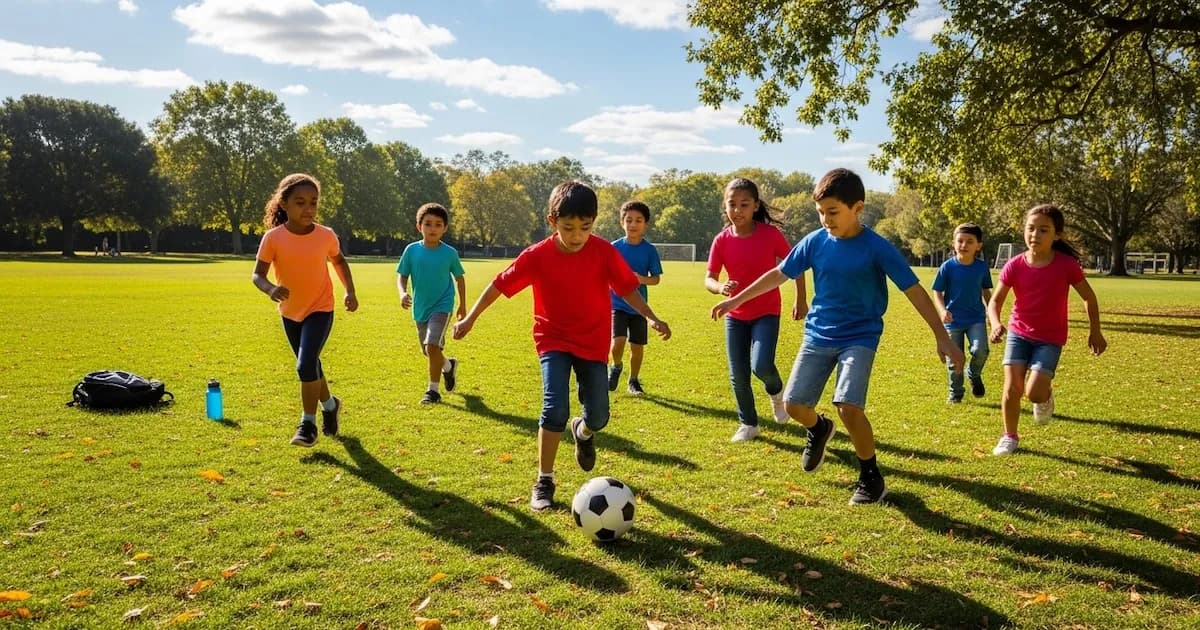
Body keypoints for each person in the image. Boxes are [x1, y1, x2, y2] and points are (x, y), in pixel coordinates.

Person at [712, 168, 964, 505]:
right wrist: (735, 300)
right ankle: (818, 429)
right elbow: (778, 274)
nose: (825, 219)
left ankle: (871, 477)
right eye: (820, 212)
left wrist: (942, 336)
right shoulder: (815, 241)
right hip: (818, 334)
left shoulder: (876, 247)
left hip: (860, 336)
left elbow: (914, 290)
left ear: (857, 208)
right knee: (794, 405)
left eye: (833, 212)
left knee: (848, 406)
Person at [453, 181, 672, 511]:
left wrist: (651, 317)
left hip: (593, 342)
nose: (577, 236)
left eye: (585, 227)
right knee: (554, 408)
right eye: (568, 228)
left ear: (594, 222)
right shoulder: (537, 255)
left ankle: (582, 432)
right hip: (552, 340)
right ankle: (544, 480)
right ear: (552, 221)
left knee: (599, 416)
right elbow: (499, 285)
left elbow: (628, 288)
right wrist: (470, 318)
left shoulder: (604, 252)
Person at [987, 204, 1106, 456]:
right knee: (1012, 387)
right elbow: (995, 301)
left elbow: (1089, 297)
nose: (1035, 235)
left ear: (1056, 235)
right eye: (1031, 228)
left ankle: (1045, 396)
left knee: (1034, 393)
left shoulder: (1067, 265)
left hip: (1050, 339)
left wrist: (1095, 331)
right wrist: (996, 323)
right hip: (1018, 333)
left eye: (1043, 230)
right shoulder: (1014, 265)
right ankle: (1009, 436)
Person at [251, 173, 358, 447]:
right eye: (300, 202)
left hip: (321, 309)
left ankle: (307, 425)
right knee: (311, 365)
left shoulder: (326, 235)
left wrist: (349, 291)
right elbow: (257, 275)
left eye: (313, 202)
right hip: (290, 312)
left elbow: (339, 262)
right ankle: (330, 405)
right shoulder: (273, 238)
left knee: (305, 364)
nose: (308, 208)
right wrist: (270, 289)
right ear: (284, 203)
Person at [704, 178, 801, 442]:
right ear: (725, 206)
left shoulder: (770, 235)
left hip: (767, 312)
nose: (737, 210)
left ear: (756, 205)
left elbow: (795, 264)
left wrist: (800, 299)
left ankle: (777, 393)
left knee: (761, 365)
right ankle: (748, 424)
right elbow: (709, 278)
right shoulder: (721, 240)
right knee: (738, 373)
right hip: (735, 316)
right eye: (732, 204)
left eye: (744, 204)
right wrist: (720, 287)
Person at [397, 203, 466, 405]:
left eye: (438, 224)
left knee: (432, 345)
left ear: (445, 228)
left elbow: (460, 278)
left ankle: (432, 391)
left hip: (442, 306)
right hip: (421, 308)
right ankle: (448, 366)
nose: (432, 228)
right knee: (429, 351)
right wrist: (402, 293)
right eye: (428, 224)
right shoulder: (411, 250)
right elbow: (402, 275)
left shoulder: (449, 253)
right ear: (419, 226)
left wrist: (462, 305)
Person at [932, 223, 994, 403]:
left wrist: (992, 314)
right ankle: (956, 393)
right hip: (953, 321)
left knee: (981, 351)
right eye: (960, 241)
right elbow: (937, 291)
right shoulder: (947, 267)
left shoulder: (981, 267)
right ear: (953, 243)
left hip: (976, 319)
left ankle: (974, 374)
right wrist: (942, 310)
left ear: (978, 245)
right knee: (954, 360)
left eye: (969, 241)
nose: (964, 245)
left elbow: (986, 291)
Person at [608, 200, 664, 396]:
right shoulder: (614, 248)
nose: (633, 224)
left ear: (645, 224)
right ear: (621, 222)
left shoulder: (650, 250)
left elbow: (656, 279)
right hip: (617, 304)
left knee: (637, 347)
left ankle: (633, 380)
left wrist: (640, 278)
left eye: (638, 220)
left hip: (640, 307)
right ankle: (616, 366)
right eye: (629, 220)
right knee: (618, 342)